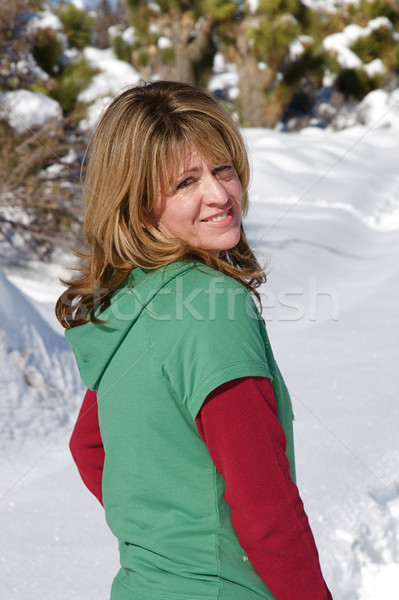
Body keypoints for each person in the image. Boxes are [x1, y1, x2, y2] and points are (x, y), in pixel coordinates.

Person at [56, 81, 333, 600]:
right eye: (185, 182)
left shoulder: (131, 301)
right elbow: (266, 512)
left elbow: (90, 447)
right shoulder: (213, 309)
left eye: (222, 168)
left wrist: (165, 542)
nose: (219, 194)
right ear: (136, 204)